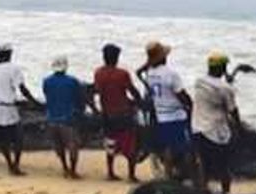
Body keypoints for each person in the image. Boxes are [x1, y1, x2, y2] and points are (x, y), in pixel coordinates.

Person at [0, 43, 42, 176]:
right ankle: (15, 164)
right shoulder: (13, 68)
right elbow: (22, 88)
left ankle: (9, 163)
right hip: (7, 109)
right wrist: (35, 102)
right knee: (18, 138)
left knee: (2, 140)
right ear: (9, 53)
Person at [137, 41, 193, 181]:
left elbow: (140, 72)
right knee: (186, 148)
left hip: (161, 115)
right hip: (176, 115)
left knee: (168, 148)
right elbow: (182, 95)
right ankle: (186, 174)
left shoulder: (150, 74)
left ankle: (168, 175)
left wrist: (148, 63)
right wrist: (191, 107)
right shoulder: (171, 74)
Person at [191, 53, 241, 194]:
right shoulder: (225, 88)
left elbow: (214, 86)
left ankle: (203, 191)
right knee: (223, 165)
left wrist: (227, 82)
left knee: (203, 162)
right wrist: (239, 127)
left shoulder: (199, 82)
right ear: (223, 68)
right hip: (217, 132)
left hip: (197, 128)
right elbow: (232, 110)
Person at [93, 43, 142, 181]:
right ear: (116, 58)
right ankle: (131, 175)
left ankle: (110, 172)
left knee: (110, 142)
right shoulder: (122, 74)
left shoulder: (98, 73)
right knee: (130, 143)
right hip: (123, 113)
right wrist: (138, 101)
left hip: (107, 113)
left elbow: (97, 90)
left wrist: (96, 109)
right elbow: (132, 91)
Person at [43, 56, 85, 179]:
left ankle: (65, 167)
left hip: (52, 118)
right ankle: (73, 170)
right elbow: (79, 98)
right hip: (68, 119)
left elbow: (47, 96)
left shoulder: (46, 81)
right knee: (72, 146)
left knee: (59, 146)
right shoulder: (72, 81)